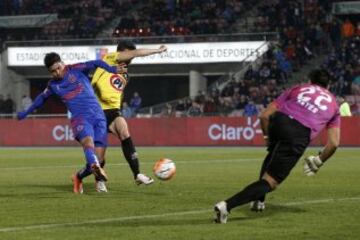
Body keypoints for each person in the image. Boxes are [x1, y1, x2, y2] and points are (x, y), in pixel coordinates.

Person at [214, 69, 341, 223]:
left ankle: (259, 200)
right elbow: (334, 143)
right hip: (299, 133)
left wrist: (267, 137)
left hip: (279, 121)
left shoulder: (298, 88)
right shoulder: (334, 104)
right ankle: (226, 206)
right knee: (271, 182)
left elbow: (264, 116)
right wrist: (320, 160)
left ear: (311, 81)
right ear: (328, 85)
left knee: (272, 151)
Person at [17, 52, 122, 194]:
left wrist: (112, 70)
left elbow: (97, 63)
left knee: (100, 158)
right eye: (52, 71)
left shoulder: (76, 69)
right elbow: (40, 99)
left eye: (57, 68)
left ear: (61, 63)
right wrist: (26, 112)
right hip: (80, 118)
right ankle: (96, 172)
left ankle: (78, 176)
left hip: (99, 117)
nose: (56, 73)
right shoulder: (53, 85)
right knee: (88, 143)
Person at [91, 41, 167, 191]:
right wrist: (157, 50)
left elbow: (117, 92)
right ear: (121, 52)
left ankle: (137, 174)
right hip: (96, 111)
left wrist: (118, 107)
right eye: (128, 53)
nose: (131, 57)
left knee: (124, 131)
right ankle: (99, 181)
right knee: (99, 158)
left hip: (113, 111)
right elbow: (136, 53)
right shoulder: (109, 58)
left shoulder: (125, 74)